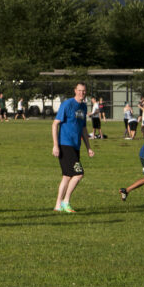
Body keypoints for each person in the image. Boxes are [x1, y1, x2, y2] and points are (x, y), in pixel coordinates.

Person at [51, 82, 94, 213]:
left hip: (76, 146)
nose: (82, 93)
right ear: (75, 91)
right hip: (65, 144)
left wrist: (88, 147)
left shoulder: (83, 107)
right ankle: (66, 201)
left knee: (67, 176)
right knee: (79, 174)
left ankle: (58, 205)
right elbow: (54, 124)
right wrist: (55, 145)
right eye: (79, 90)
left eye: (84, 91)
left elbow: (83, 129)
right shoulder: (67, 104)